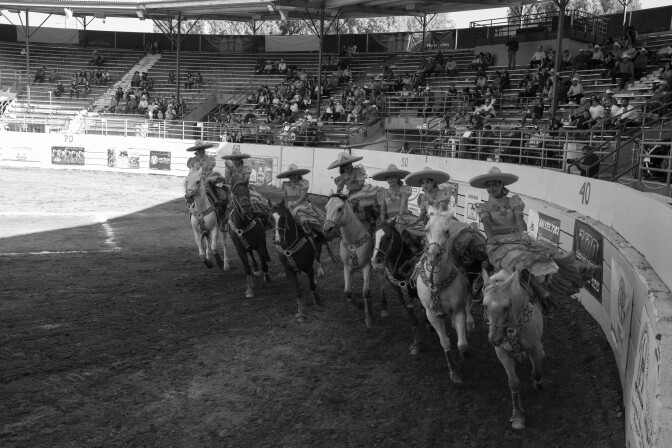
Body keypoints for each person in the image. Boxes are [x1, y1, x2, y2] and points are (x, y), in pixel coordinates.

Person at [469, 167, 562, 315]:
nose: (491, 188)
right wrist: (492, 240)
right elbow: (487, 225)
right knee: (517, 261)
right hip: (497, 243)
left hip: (517, 238)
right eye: (488, 185)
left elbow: (520, 221)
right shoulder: (483, 206)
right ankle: (542, 293)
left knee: (548, 257)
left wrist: (524, 234)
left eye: (494, 184)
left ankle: (545, 291)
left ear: (501, 185)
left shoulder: (514, 200)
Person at [371, 164, 424, 254]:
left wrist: (399, 217)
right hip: (390, 220)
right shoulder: (383, 192)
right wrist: (383, 221)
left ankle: (417, 251)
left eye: (393, 177)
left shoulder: (404, 189)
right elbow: (383, 210)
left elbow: (403, 206)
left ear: (397, 178)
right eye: (388, 178)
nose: (390, 180)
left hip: (404, 217)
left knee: (412, 232)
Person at [221, 146, 273, 229]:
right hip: (234, 190)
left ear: (240, 159)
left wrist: (239, 184)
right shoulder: (230, 169)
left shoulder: (246, 168)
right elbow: (227, 181)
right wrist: (227, 172)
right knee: (226, 203)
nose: (234, 161)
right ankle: (224, 222)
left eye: (236, 159)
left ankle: (267, 218)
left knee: (258, 200)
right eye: (233, 159)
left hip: (245, 189)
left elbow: (246, 180)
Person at [276, 163, 327, 248]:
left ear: (298, 175)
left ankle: (311, 235)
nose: (293, 177)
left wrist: (295, 204)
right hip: (289, 205)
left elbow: (303, 196)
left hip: (301, 204)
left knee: (302, 219)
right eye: (290, 175)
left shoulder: (303, 182)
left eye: (294, 174)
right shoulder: (285, 184)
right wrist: (286, 205)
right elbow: (285, 197)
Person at [328, 152, 381, 230]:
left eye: (348, 164)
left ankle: (376, 220)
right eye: (344, 165)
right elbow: (339, 191)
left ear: (351, 163)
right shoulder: (342, 177)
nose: (347, 167)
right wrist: (336, 198)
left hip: (364, 191)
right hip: (352, 195)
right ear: (342, 167)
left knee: (364, 203)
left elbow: (360, 184)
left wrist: (352, 180)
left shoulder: (359, 171)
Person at [185, 142, 228, 220]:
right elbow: (191, 172)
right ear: (196, 151)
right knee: (189, 190)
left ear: (204, 150)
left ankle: (217, 203)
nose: (201, 151)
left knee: (218, 191)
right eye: (199, 149)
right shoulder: (192, 160)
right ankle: (190, 204)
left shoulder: (210, 159)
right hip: (196, 180)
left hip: (208, 177)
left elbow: (210, 169)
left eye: (202, 149)